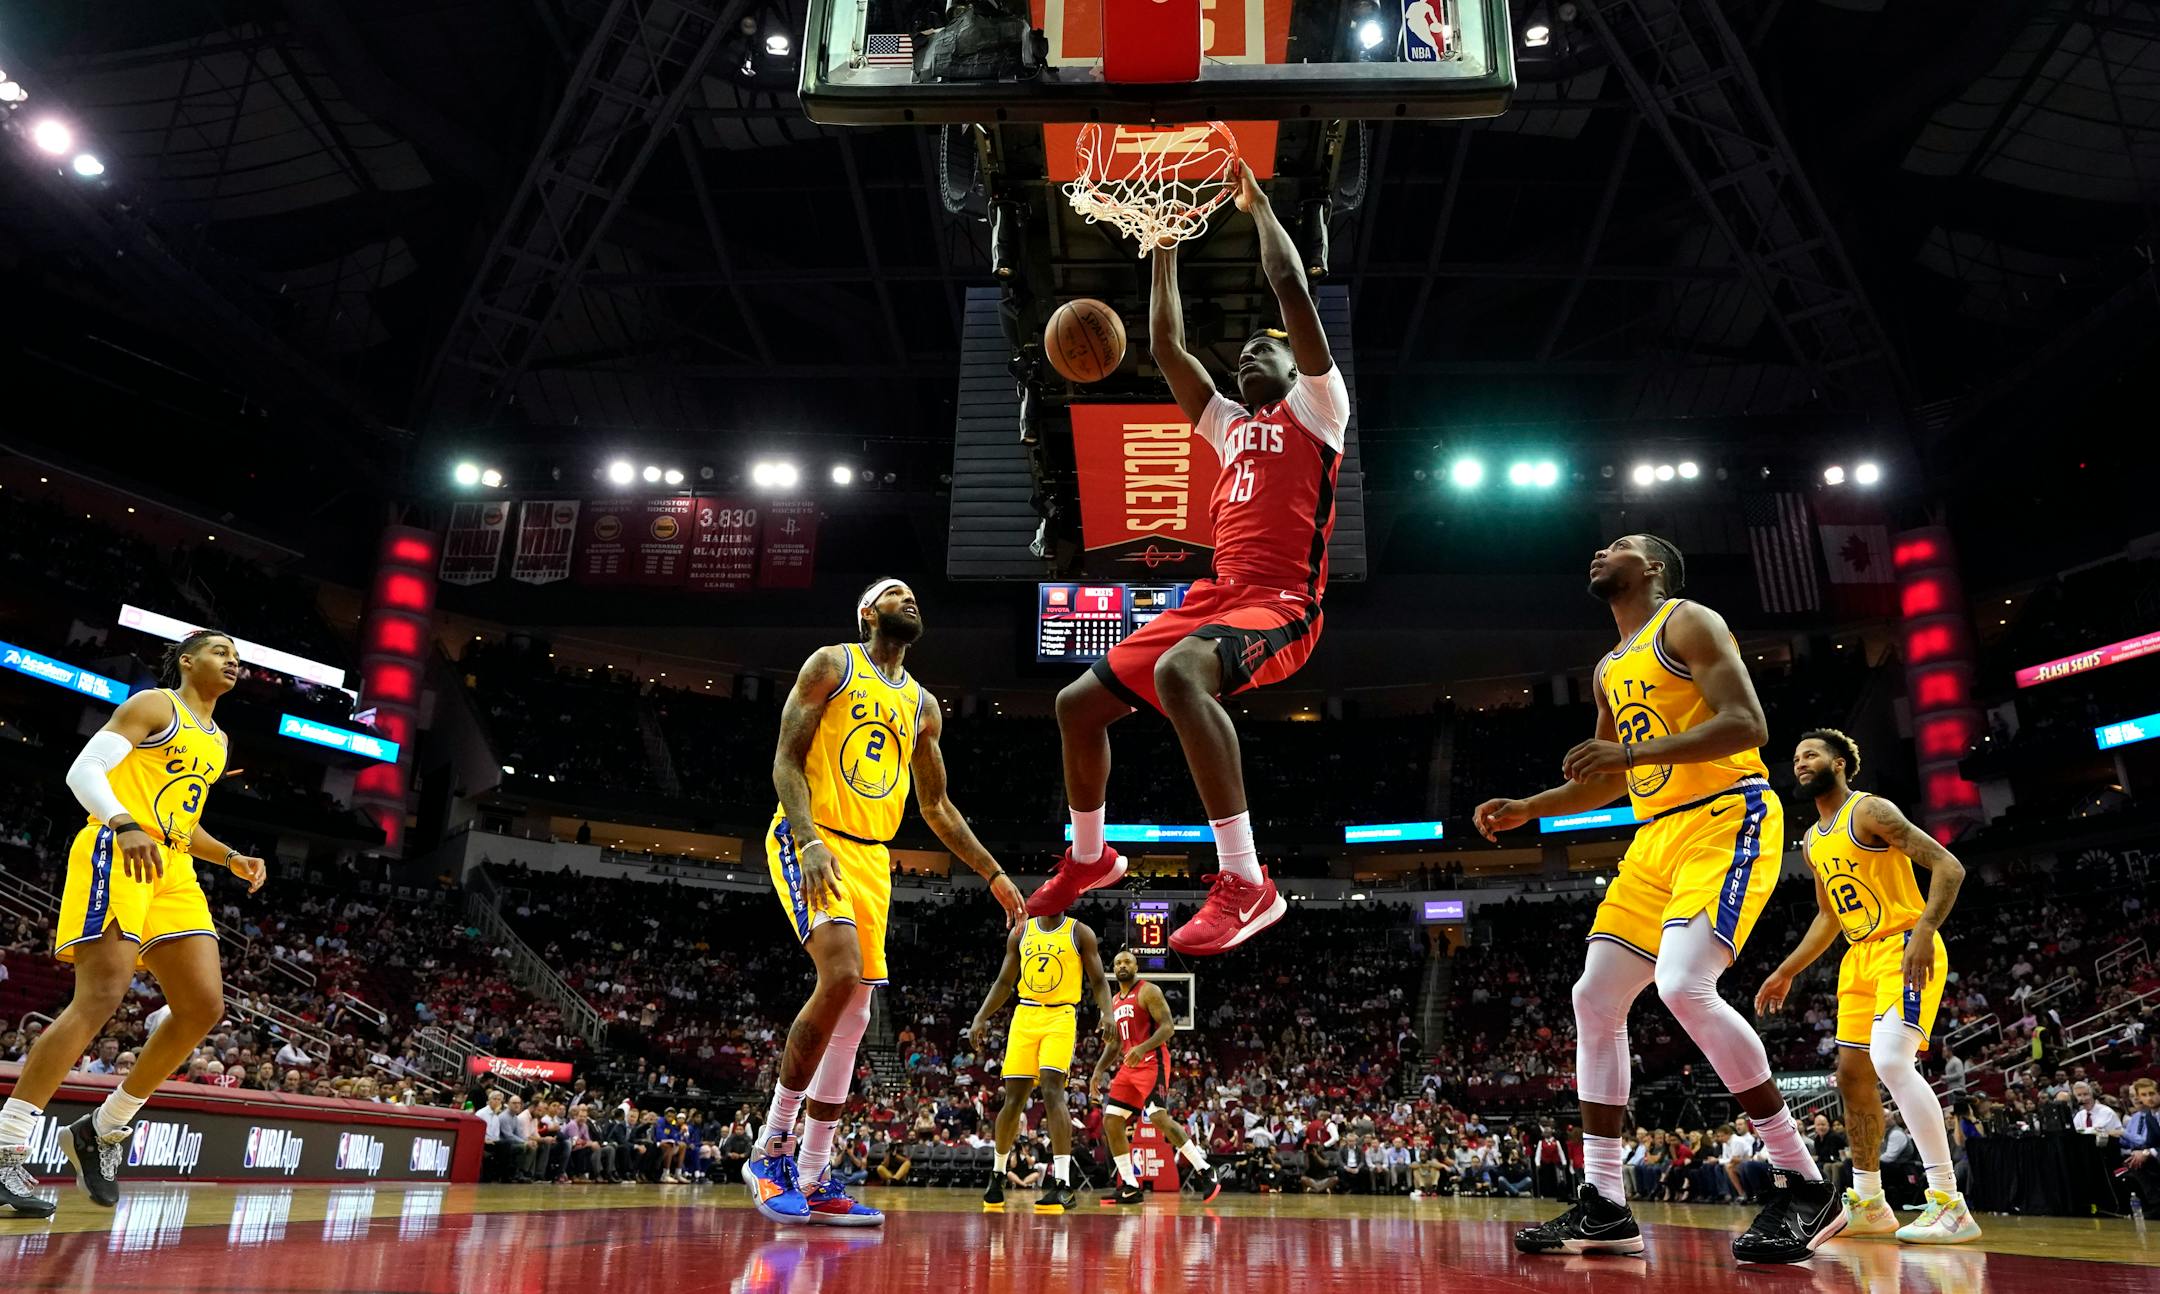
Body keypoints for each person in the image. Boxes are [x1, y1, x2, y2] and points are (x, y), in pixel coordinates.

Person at [1476, 540, 1838, 1263]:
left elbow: (1748, 725)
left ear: (1652, 569)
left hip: (1725, 815)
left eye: (1620, 546)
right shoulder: (1610, 666)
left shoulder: (1688, 621)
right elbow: (1607, 776)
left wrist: (1631, 758)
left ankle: (1804, 1180)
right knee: (1594, 998)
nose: (1599, 552)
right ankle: (1606, 1204)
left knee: (1680, 983)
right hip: (1654, 838)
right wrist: (1530, 808)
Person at [1025, 163, 1352, 957]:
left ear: (1291, 367)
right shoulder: (1228, 426)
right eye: (1239, 358)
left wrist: (1261, 206)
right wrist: (1163, 246)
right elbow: (1167, 344)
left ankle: (1247, 880)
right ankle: (1092, 856)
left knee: (1180, 674)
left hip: (1282, 602)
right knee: (1076, 704)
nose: (1245, 362)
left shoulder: (1319, 408)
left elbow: (1288, 288)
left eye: (1257, 355)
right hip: (1215, 593)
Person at [746, 580, 1027, 1227]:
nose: (913, 600)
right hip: (812, 835)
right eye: (898, 595)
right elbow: (786, 761)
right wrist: (809, 838)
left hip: (874, 856)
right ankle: (769, 1149)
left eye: (916, 597)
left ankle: (814, 1175)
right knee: (840, 975)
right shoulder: (833, 664)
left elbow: (936, 807)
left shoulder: (924, 705)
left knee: (859, 1011)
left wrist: (993, 874)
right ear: (868, 611)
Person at [0, 631, 267, 1218]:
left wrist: (228, 855)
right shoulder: (155, 705)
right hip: (117, 847)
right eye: (221, 652)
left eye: (238, 658)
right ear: (187, 660)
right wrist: (122, 821)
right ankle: (5, 1144)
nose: (233, 662)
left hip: (171, 865)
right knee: (100, 996)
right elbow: (83, 771)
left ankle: (104, 1127)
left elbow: (180, 822)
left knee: (202, 1007)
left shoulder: (219, 742)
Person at [1756, 730, 1979, 1244]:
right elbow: (1829, 916)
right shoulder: (1812, 839)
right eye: (1795, 757)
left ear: (1840, 762)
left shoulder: (1870, 810)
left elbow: (1950, 865)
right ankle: (1870, 1201)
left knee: (1893, 1061)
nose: (1800, 762)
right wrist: (1788, 968)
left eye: (1810, 753)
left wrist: (1924, 930)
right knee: (1852, 1076)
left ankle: (1949, 1202)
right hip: (1857, 959)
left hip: (1903, 943)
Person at [967, 912, 1111, 1213]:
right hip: (1025, 1014)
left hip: (1060, 1015)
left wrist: (1107, 1012)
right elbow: (1005, 981)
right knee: (1013, 1099)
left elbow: (1098, 979)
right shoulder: (1022, 932)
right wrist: (981, 1016)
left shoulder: (1079, 932)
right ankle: (997, 1175)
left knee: (1052, 1091)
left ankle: (1062, 1184)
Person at [1089, 951, 1220, 1204]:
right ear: (1113, 969)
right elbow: (1115, 1044)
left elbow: (1168, 1027)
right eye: (1117, 962)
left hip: (1152, 1062)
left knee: (1159, 1117)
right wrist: (1098, 1069)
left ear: (1136, 966)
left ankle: (1205, 1170)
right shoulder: (1113, 1001)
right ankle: (1129, 1185)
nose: (1122, 965)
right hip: (1129, 1066)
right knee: (1112, 1121)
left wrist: (1142, 1047)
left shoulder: (1149, 991)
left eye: (1127, 961)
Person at [2118, 1078, 2159, 1210]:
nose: (2149, 1098)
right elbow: (2150, 1143)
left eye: (2151, 1093)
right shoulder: (2149, 1115)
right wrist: (2139, 1152)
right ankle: (2154, 1204)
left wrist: (2146, 1152)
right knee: (2134, 1162)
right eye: (2144, 1095)